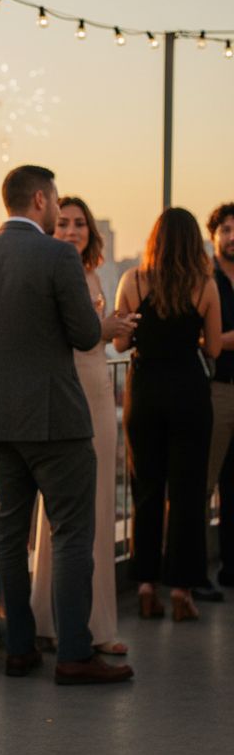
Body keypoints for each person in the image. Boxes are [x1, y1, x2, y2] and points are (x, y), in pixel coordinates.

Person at [0, 165, 134, 686]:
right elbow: (82, 333)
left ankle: (18, 648)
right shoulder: (58, 255)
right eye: (54, 202)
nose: (58, 212)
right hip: (56, 419)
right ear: (39, 200)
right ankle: (75, 653)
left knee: (7, 535)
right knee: (73, 532)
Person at [32, 197, 134, 655]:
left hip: (97, 390)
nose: (72, 230)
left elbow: (102, 340)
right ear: (52, 227)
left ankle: (96, 623)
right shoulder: (49, 272)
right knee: (57, 510)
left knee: (98, 507)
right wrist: (103, 325)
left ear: (91, 232)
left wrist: (113, 328)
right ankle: (48, 621)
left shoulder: (94, 275)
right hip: (64, 392)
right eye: (65, 223)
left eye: (80, 224)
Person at [114, 208, 222, 620]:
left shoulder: (134, 281)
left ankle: (145, 585)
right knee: (188, 493)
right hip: (190, 393)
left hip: (145, 391)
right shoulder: (205, 286)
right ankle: (181, 590)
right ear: (195, 243)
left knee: (147, 490)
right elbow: (212, 349)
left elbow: (121, 344)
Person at [204, 203, 234, 590]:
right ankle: (192, 575)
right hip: (216, 390)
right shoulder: (203, 279)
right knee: (204, 483)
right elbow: (196, 337)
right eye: (225, 229)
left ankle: (231, 568)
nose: (232, 237)